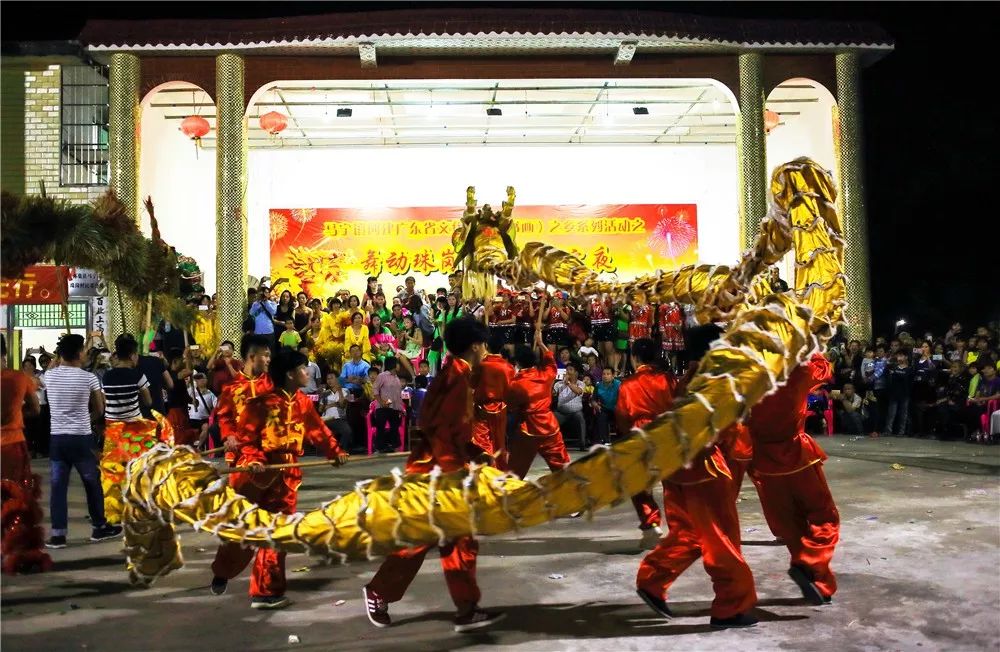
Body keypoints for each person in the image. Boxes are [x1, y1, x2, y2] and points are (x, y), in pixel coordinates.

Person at [363, 316, 505, 633]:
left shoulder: (458, 375)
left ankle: (467, 608)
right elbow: (439, 431)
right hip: (435, 475)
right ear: (475, 346)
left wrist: (474, 453)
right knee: (422, 538)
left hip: (445, 469)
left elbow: (449, 430)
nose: (486, 351)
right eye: (484, 346)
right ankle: (379, 591)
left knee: (460, 541)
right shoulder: (454, 380)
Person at [210, 348, 349, 609]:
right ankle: (223, 569)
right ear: (289, 374)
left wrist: (336, 452)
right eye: (302, 369)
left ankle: (265, 592)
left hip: (287, 476)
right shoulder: (260, 403)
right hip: (255, 476)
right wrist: (253, 459)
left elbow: (319, 431)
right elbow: (247, 438)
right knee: (245, 531)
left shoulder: (303, 403)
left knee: (277, 533)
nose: (307, 373)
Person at [746, 353, 840, 606]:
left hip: (764, 462)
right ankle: (810, 564)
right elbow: (824, 368)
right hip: (798, 456)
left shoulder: (745, 374)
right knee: (824, 517)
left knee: (791, 526)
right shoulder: (798, 370)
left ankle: (819, 582)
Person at [43, 334, 120, 548]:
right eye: (84, 350)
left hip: (57, 439)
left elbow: (52, 365)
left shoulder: (50, 376)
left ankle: (58, 534)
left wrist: (59, 356)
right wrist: (92, 419)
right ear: (78, 353)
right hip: (82, 438)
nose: (86, 353)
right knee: (92, 483)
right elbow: (100, 408)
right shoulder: (89, 378)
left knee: (58, 487)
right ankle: (99, 526)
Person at [617, 337, 677, 549]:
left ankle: (651, 522)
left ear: (634, 357)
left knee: (637, 482)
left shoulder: (628, 384)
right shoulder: (668, 379)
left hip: (640, 434)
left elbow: (622, 416)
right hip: (666, 432)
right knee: (673, 483)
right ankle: (680, 528)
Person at [1, 334, 52, 573]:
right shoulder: (20, 378)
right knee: (16, 500)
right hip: (13, 446)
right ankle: (14, 550)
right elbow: (34, 409)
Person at [506, 330, 571, 479]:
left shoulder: (517, 383)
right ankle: (572, 493)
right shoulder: (545, 375)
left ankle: (507, 497)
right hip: (549, 426)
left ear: (517, 363)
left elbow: (510, 405)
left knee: (514, 473)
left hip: (529, 428)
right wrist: (541, 344)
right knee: (562, 468)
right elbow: (551, 362)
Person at [214, 336, 274, 465]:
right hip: (242, 449)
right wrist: (229, 436)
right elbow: (224, 417)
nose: (269, 360)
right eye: (266, 355)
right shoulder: (230, 388)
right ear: (252, 357)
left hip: (269, 448)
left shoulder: (272, 384)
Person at [472, 339, 516, 469]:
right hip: (501, 408)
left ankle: (486, 469)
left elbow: (472, 383)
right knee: (499, 441)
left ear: (486, 346)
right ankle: (500, 468)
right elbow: (511, 389)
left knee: (481, 440)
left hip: (481, 408)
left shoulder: (481, 365)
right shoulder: (508, 367)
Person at [373, 357, 404, 454]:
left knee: (395, 429)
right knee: (381, 428)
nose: (399, 366)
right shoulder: (382, 376)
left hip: (394, 408)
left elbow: (398, 395)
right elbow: (375, 390)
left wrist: (400, 409)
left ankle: (396, 448)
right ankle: (379, 449)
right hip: (383, 407)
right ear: (393, 364)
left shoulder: (397, 378)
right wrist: (381, 402)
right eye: (398, 364)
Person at [553, 364, 587, 450]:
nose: (568, 372)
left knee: (580, 418)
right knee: (552, 418)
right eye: (567, 370)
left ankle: (582, 444)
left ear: (576, 373)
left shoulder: (581, 383)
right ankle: (552, 445)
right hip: (561, 413)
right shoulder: (558, 384)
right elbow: (552, 394)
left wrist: (568, 383)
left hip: (576, 412)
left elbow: (578, 391)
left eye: (571, 370)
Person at [319, 373, 353, 453]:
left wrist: (339, 391)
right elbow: (320, 410)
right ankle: (338, 449)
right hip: (326, 418)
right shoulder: (325, 393)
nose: (329, 380)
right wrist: (325, 407)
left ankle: (342, 449)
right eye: (328, 379)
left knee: (347, 431)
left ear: (337, 379)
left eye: (331, 378)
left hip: (339, 418)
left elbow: (342, 405)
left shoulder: (345, 391)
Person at [884, 351, 913, 436]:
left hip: (904, 394)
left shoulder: (909, 368)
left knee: (903, 414)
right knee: (891, 414)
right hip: (894, 394)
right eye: (898, 356)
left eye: (901, 355)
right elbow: (886, 372)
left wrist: (895, 373)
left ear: (906, 357)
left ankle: (901, 432)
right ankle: (888, 431)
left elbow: (904, 376)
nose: (899, 357)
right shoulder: (893, 367)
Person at [593, 367, 621, 445]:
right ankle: (605, 441)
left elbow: (624, 397)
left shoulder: (619, 385)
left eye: (608, 374)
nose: (605, 376)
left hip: (617, 409)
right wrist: (595, 405)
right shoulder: (598, 385)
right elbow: (593, 399)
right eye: (604, 374)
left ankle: (621, 439)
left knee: (621, 416)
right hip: (604, 409)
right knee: (601, 415)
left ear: (613, 376)